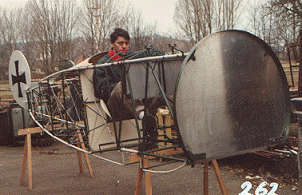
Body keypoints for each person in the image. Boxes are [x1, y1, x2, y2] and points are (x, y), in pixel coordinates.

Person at [93, 28, 164, 150]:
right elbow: (100, 91)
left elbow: (150, 53)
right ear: (112, 44)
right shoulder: (102, 64)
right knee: (124, 85)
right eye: (120, 43)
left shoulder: (132, 57)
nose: (124, 46)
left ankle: (169, 117)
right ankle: (145, 117)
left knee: (155, 82)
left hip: (136, 99)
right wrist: (123, 85)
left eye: (126, 43)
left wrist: (161, 54)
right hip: (115, 105)